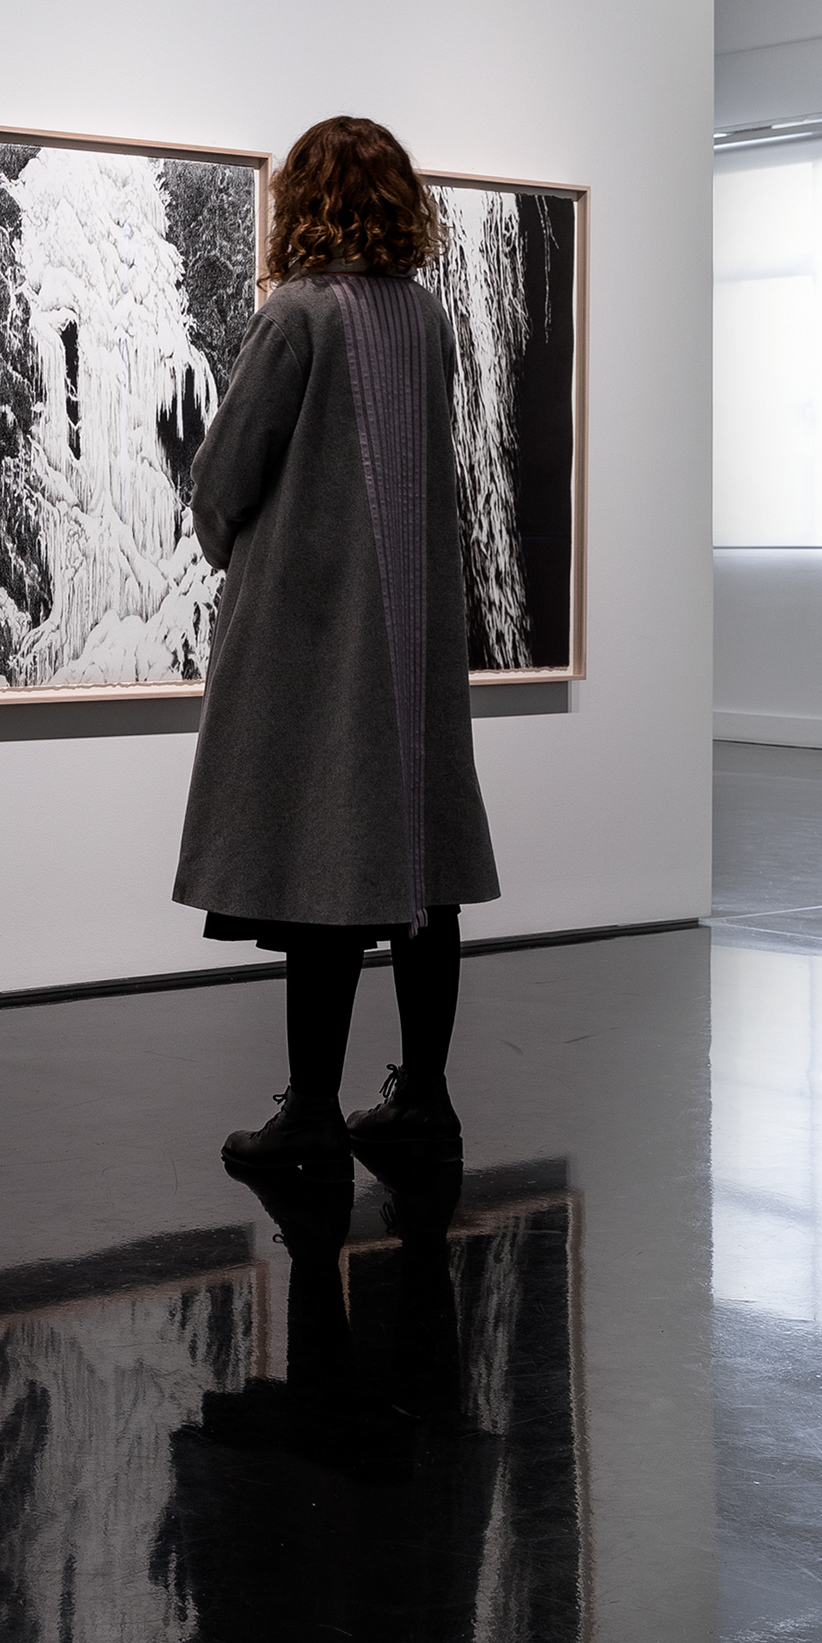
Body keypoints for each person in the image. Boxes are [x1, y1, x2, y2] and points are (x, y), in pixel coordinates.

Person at [175, 114, 500, 1173]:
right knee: (419, 859)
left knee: (323, 854)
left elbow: (227, 472)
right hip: (413, 632)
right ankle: (425, 1097)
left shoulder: (297, 315)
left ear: (303, 201)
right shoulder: (425, 318)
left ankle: (311, 1109)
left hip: (314, 629)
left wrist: (226, 540)